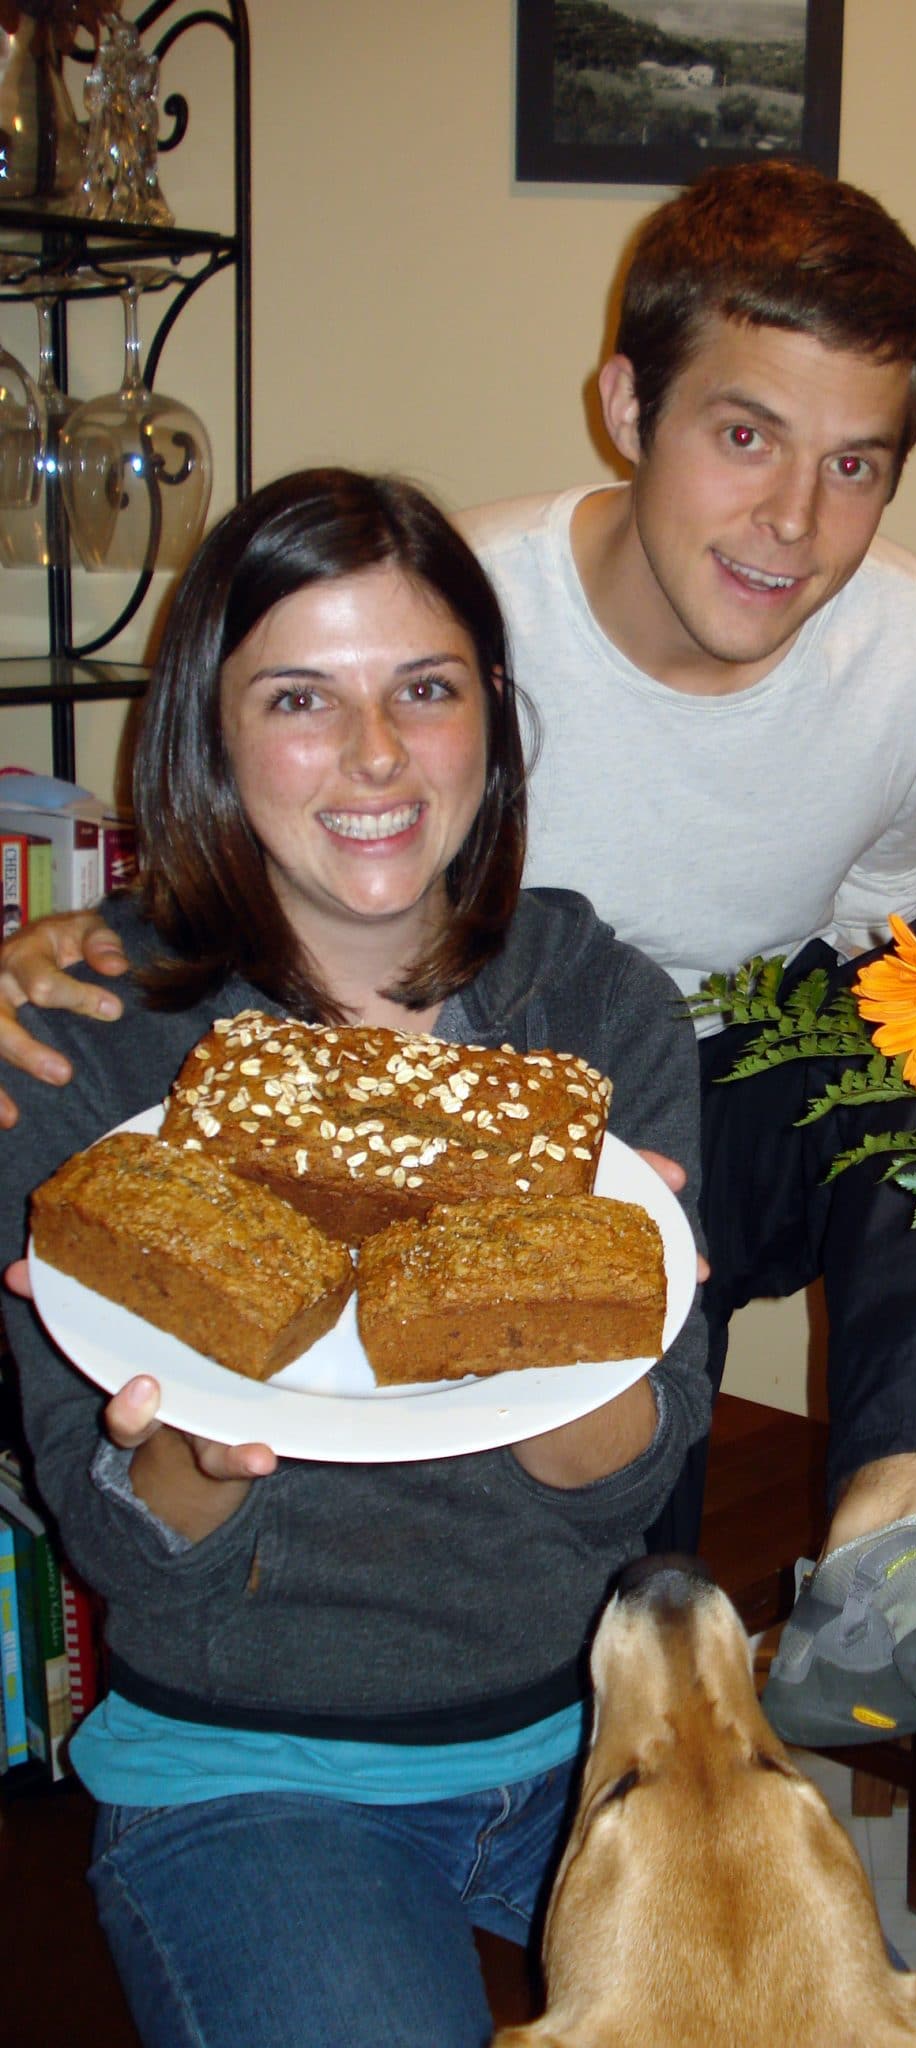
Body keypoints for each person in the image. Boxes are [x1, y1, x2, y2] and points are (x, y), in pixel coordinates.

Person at [0, 163, 916, 1747]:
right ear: (627, 404)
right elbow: (281, 798)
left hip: (730, 1077)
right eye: (743, 435)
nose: (792, 522)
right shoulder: (457, 621)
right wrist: (72, 934)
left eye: (855, 464)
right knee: (616, 1556)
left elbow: (877, 932)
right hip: (501, 1082)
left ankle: (886, 1555)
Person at [0, 468, 711, 2048]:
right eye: (302, 699)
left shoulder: (601, 1024)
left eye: (427, 691)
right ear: (210, 732)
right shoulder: (89, 1048)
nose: (377, 756)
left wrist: (593, 1329)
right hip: (252, 1772)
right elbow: (117, 1543)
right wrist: (184, 1445)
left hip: (593, 1739)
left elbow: (637, 1477)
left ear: (493, 721)